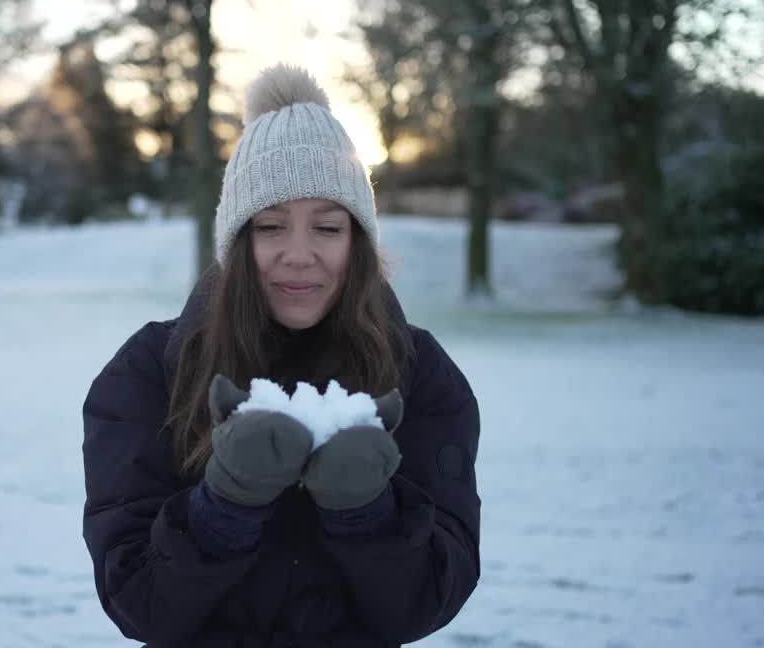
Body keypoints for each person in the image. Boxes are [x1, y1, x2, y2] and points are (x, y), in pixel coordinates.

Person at [82, 64, 481, 647]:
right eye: (271, 227)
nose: (299, 255)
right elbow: (139, 604)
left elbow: (428, 602)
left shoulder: (421, 374)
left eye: (327, 227)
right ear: (237, 242)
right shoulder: (149, 370)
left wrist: (367, 512)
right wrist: (223, 507)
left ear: (359, 241)